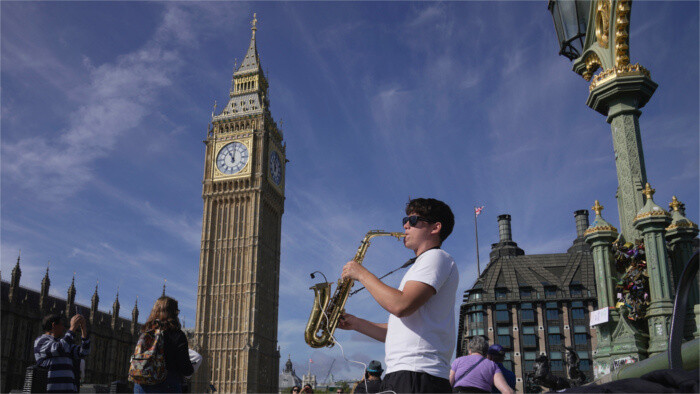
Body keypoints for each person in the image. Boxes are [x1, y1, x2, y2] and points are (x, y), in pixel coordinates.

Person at [339, 198, 459, 393]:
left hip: (418, 375)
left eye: (413, 220)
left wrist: (360, 273)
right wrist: (355, 323)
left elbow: (401, 305)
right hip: (405, 374)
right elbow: (396, 331)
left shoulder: (436, 257)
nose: (405, 225)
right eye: (406, 220)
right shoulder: (422, 264)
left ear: (435, 227)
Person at [134, 296, 193, 393]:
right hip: (166, 385)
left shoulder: (145, 332)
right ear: (173, 313)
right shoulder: (177, 335)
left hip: (141, 385)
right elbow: (186, 369)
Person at [34, 312, 91, 393]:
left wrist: (83, 328)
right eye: (61, 325)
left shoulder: (66, 345)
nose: (64, 328)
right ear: (54, 325)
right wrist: (72, 327)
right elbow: (59, 349)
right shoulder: (41, 341)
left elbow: (84, 351)